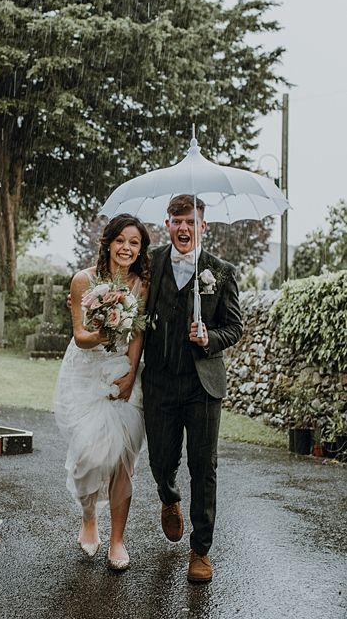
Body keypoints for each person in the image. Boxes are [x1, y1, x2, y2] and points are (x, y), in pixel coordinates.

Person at [142, 194, 242, 583]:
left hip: (203, 385)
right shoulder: (151, 265)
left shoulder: (221, 271)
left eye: (191, 221)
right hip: (160, 382)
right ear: (167, 224)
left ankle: (200, 550)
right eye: (177, 220)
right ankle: (169, 497)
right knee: (160, 460)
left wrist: (209, 337)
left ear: (204, 226)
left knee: (204, 467)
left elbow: (234, 327)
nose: (184, 228)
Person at [54, 214, 150, 571]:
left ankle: (117, 540)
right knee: (89, 457)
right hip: (86, 372)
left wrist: (130, 374)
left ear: (140, 250)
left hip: (125, 372)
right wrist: (108, 330)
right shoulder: (83, 280)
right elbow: (80, 337)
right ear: (108, 243)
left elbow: (138, 334)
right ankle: (89, 516)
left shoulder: (143, 283)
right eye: (121, 241)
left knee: (124, 458)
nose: (127, 248)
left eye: (134, 243)